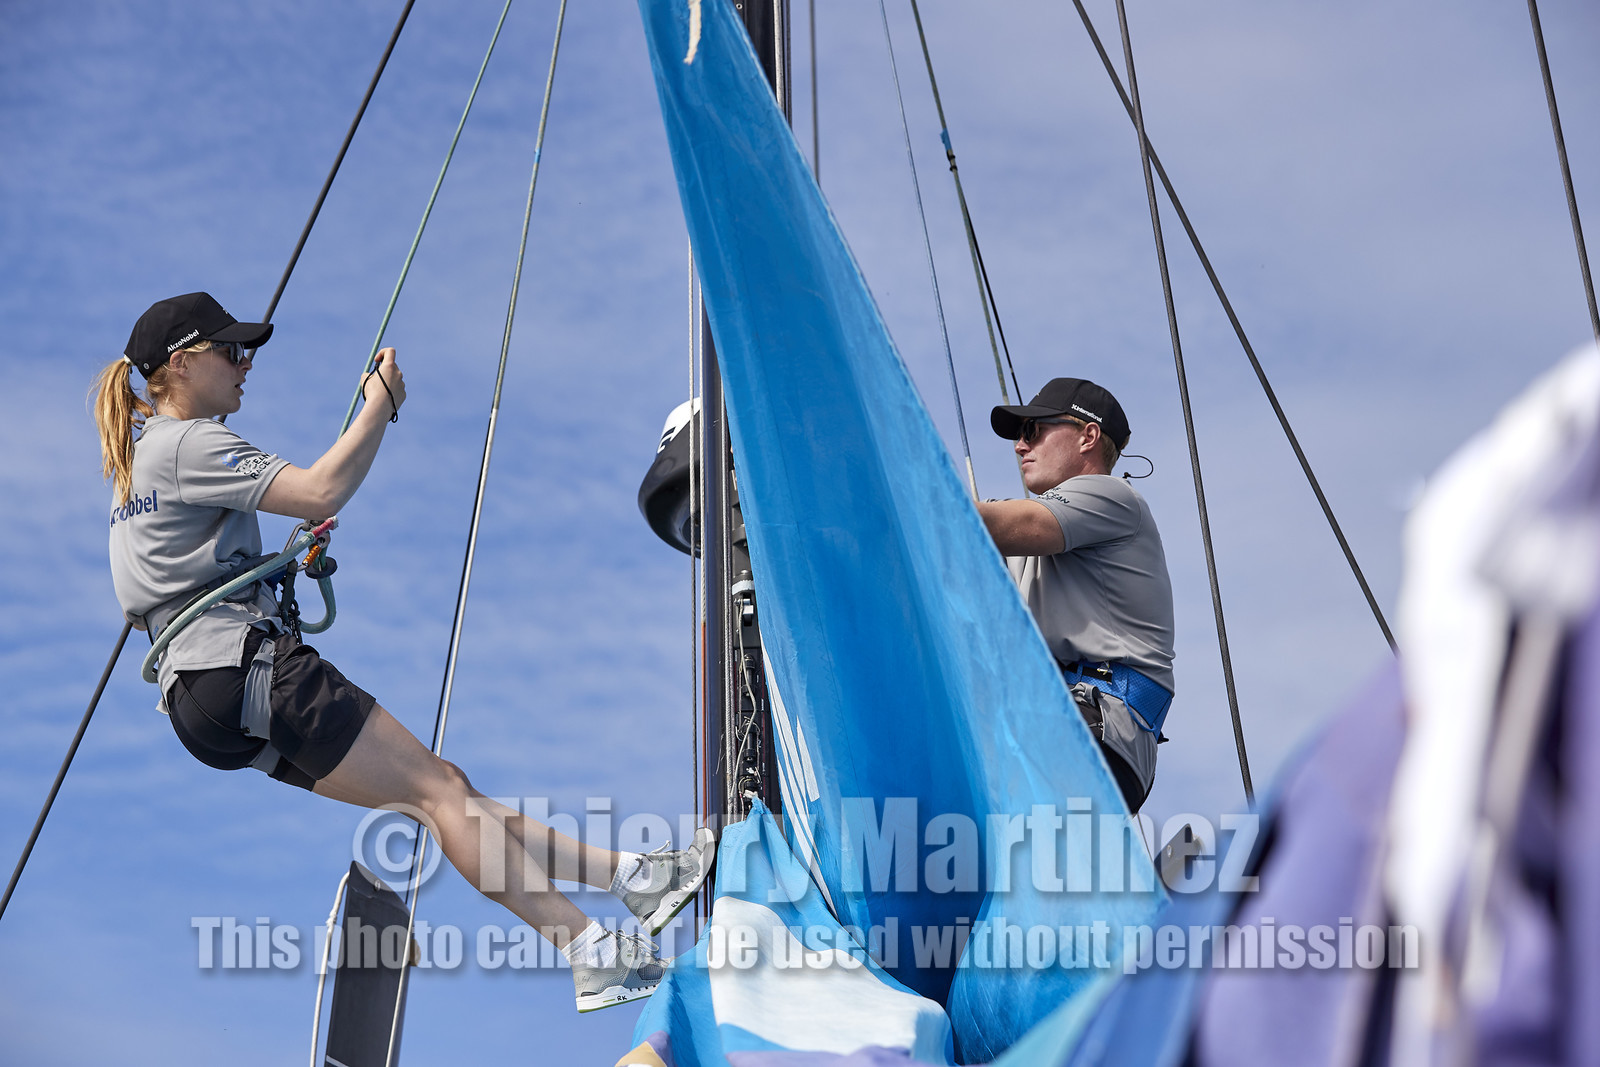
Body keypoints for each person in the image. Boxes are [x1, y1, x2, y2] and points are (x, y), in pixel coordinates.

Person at [95, 292, 711, 1012]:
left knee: (444, 788)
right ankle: (591, 950)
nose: (245, 362)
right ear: (180, 362)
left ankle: (637, 878)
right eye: (230, 351)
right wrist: (380, 404)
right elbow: (322, 487)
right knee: (439, 794)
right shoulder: (187, 443)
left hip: (201, 704)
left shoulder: (136, 466)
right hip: (245, 665)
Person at [975, 377, 1175, 811]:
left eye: (1033, 430)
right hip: (1059, 724)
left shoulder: (1114, 496)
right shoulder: (1029, 543)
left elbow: (1000, 525)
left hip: (1094, 728)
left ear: (1088, 435)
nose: (1018, 446)